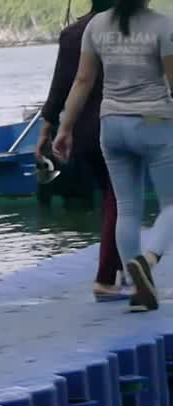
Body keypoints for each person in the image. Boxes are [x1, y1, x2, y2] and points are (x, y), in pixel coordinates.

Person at [54, 0, 173, 312]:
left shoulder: (96, 26)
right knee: (171, 204)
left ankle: (137, 291)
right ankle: (148, 259)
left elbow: (82, 81)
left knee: (126, 208)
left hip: (112, 126)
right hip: (153, 123)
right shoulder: (162, 25)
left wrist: (65, 127)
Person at [38, 0, 126, 301]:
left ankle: (120, 268)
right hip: (121, 128)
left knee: (114, 198)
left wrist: (47, 131)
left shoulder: (73, 33)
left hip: (85, 134)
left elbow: (60, 87)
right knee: (119, 200)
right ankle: (106, 276)